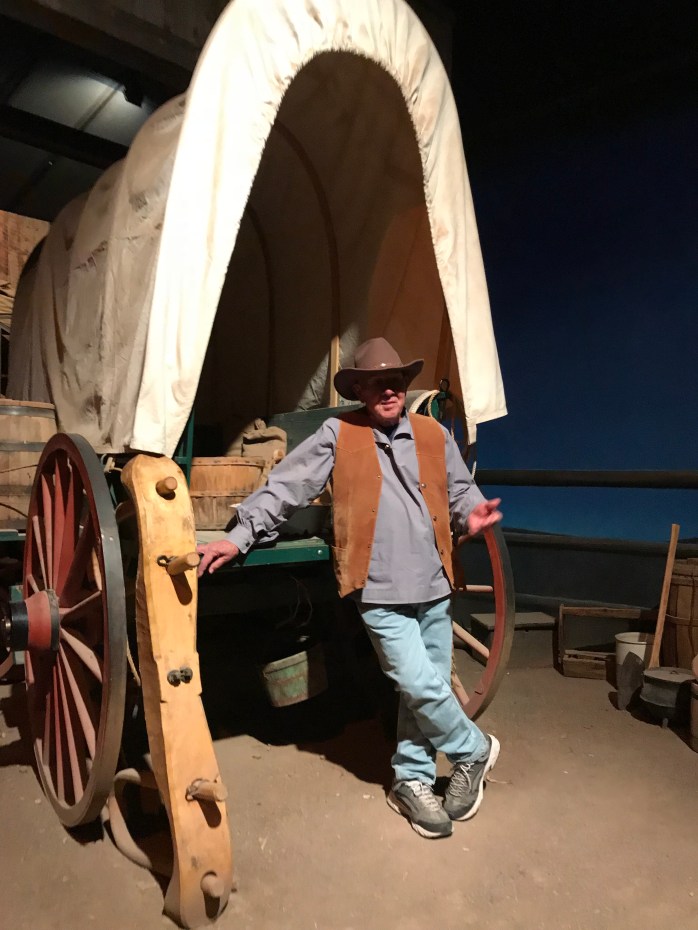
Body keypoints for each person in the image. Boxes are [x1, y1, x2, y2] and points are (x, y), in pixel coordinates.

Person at [197, 337, 503, 839]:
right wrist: (240, 535)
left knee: (420, 688)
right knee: (415, 680)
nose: (388, 390)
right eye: (376, 383)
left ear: (404, 384)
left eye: (395, 380)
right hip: (378, 585)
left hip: (433, 581)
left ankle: (412, 779)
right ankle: (474, 749)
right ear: (359, 390)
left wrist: (471, 511)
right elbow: (287, 485)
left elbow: (460, 489)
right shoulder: (338, 433)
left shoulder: (432, 434)